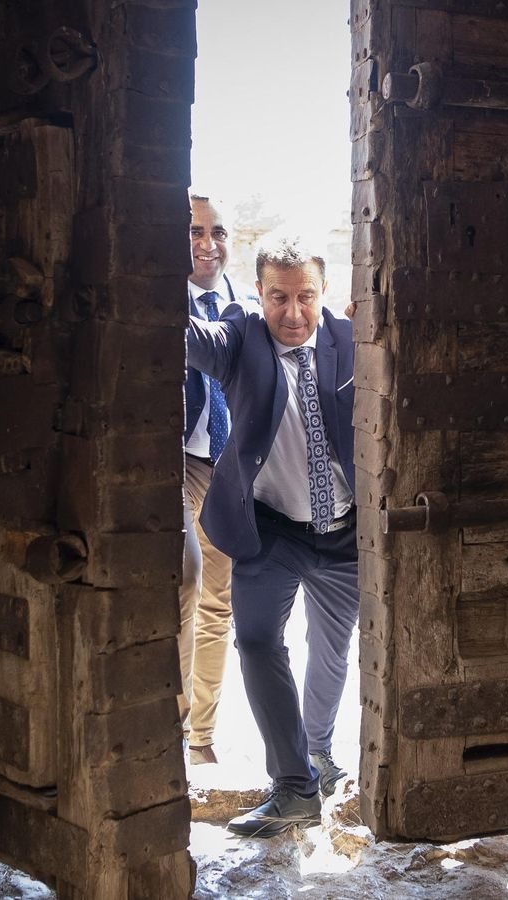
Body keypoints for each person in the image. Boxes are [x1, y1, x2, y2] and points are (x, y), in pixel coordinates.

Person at [185, 234, 358, 837]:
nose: (292, 313)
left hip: (345, 533)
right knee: (258, 644)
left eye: (305, 296)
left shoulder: (351, 339)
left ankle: (319, 754)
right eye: (278, 297)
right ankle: (293, 788)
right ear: (258, 293)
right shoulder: (240, 339)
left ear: (324, 291)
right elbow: (183, 336)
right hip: (270, 530)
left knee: (333, 650)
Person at [179, 194, 240, 766]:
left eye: (218, 231)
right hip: (172, 461)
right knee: (183, 572)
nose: (207, 242)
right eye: (195, 229)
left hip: (225, 464)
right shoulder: (157, 299)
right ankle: (167, 723)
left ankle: (202, 739)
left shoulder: (239, 306)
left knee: (218, 603)